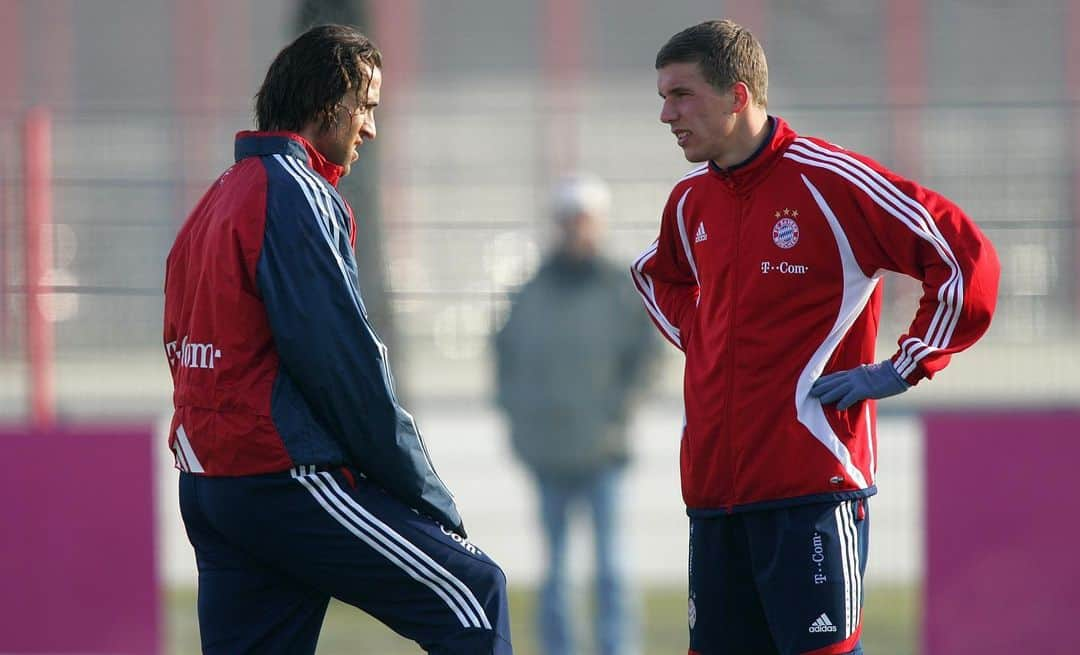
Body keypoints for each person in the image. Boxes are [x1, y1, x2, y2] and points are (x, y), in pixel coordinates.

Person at [633, 19, 1000, 655]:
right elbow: (654, 275)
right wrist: (708, 340)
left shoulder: (831, 181)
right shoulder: (690, 201)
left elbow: (964, 257)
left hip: (810, 489)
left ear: (738, 95)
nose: (667, 114)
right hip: (713, 497)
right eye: (663, 96)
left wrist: (905, 365)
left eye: (681, 95)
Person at [163, 25, 512, 655]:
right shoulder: (297, 193)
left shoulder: (214, 199)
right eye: (367, 107)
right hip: (281, 476)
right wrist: (426, 493)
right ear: (330, 104)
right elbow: (345, 367)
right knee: (475, 595)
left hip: (210, 483)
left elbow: (180, 343)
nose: (371, 128)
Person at [495, 175, 656, 655]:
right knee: (556, 570)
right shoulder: (530, 293)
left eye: (584, 222)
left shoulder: (620, 290)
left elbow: (644, 361)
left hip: (604, 451)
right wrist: (521, 423)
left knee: (611, 566)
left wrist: (618, 415)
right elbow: (505, 362)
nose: (576, 232)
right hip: (547, 452)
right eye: (568, 222)